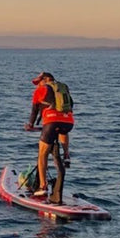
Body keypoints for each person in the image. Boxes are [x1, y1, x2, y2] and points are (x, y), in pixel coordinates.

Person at [25, 70, 74, 204]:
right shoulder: (63, 87)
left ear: (45, 79)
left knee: (42, 154)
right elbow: (71, 104)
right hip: (68, 122)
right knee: (62, 130)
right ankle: (67, 154)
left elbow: (34, 110)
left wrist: (30, 125)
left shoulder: (41, 90)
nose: (37, 85)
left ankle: (43, 186)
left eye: (38, 82)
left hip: (51, 122)